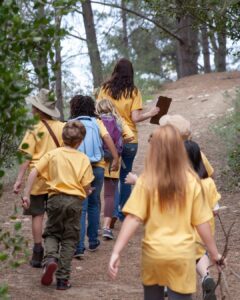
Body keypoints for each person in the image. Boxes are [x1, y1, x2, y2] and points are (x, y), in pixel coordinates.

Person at [109, 125, 225, 300]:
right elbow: (201, 222)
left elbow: (133, 218)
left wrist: (116, 251)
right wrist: (214, 254)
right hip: (182, 254)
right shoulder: (192, 181)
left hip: (153, 254)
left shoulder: (146, 180)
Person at [22, 121, 94, 290]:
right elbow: (86, 185)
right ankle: (63, 279)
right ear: (80, 141)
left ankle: (51, 259)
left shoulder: (53, 154)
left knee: (52, 233)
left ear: (63, 138)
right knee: (69, 238)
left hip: (55, 199)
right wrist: (87, 191)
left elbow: (34, 171)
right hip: (75, 202)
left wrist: (27, 194)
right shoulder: (84, 159)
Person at [97, 58, 159, 221]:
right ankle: (124, 212)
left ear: (115, 70)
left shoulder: (104, 88)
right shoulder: (133, 91)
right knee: (126, 175)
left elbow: (99, 112)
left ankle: (112, 214)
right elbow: (135, 117)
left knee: (112, 176)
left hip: (109, 140)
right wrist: (151, 114)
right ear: (131, 72)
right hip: (130, 139)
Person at [13, 89, 64, 268]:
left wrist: (20, 179)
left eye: (34, 105)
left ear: (39, 109)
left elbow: (26, 157)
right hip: (57, 177)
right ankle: (53, 252)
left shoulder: (33, 129)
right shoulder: (62, 126)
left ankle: (37, 251)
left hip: (37, 179)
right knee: (55, 216)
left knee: (37, 215)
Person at [69, 95, 119, 257]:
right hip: (97, 167)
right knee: (94, 203)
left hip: (78, 168)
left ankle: (78, 247)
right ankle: (92, 241)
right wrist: (115, 158)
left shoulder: (71, 124)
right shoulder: (96, 122)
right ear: (91, 107)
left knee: (81, 206)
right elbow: (107, 138)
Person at [184, 140, 220, 300]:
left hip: (184, 229)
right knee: (200, 255)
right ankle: (206, 276)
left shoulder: (181, 183)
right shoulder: (209, 182)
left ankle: (168, 285)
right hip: (205, 229)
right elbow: (216, 210)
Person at [96, 99, 134, 239]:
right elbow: (130, 136)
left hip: (97, 160)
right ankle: (107, 227)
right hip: (114, 161)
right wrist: (118, 143)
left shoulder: (96, 121)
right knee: (109, 195)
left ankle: (95, 227)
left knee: (94, 194)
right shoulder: (119, 121)